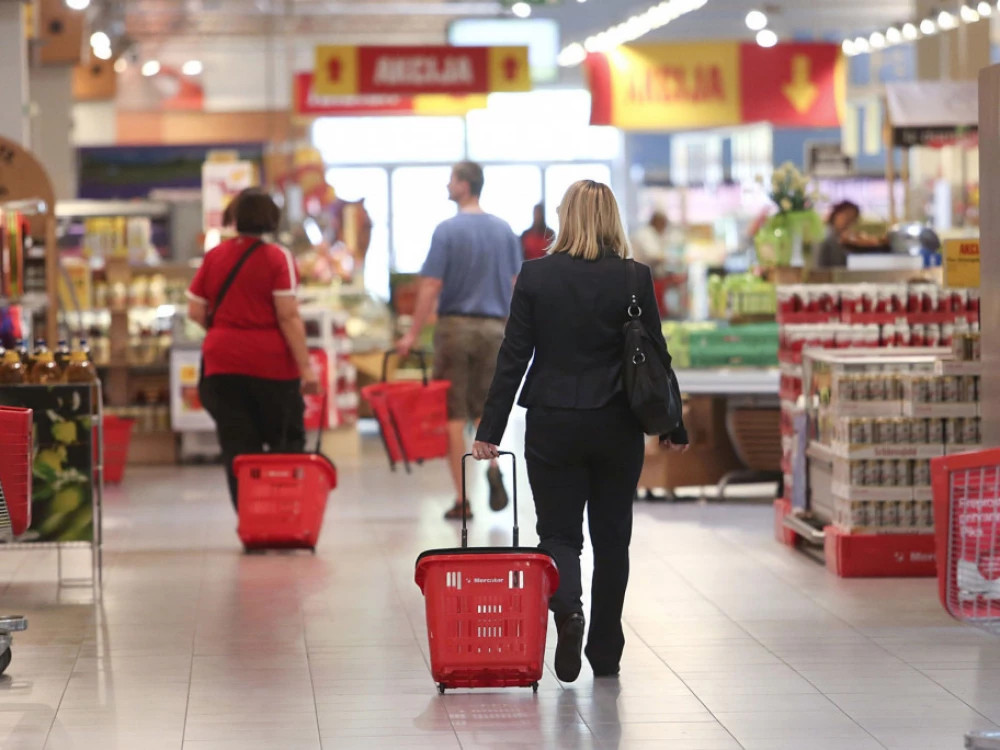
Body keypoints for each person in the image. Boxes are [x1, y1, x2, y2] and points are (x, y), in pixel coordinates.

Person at [470, 180, 689, 683]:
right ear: (613, 218)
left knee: (559, 535)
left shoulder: (536, 276)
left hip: (552, 422)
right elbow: (655, 355)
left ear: (566, 219)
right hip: (617, 424)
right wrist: (673, 425)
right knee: (613, 540)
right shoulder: (635, 278)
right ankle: (606, 651)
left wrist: (490, 429)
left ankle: (568, 612)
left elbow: (513, 357)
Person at [395, 161, 521, 521]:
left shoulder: (447, 231)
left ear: (465, 185)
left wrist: (413, 333)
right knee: (486, 409)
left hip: (455, 328)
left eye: (451, 180)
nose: (446, 185)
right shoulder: (504, 231)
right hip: (496, 329)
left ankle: (463, 498)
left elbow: (431, 285)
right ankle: (493, 470)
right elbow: (516, 285)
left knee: (453, 415)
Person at [187, 189, 320, 509]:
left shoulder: (215, 256)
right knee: (285, 442)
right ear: (272, 220)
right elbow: (288, 315)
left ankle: (251, 520)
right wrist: (306, 368)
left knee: (238, 449)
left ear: (235, 217)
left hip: (222, 367)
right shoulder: (278, 257)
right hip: (272, 367)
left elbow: (195, 311)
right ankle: (284, 514)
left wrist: (226, 333)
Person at [815, 200, 860, 269]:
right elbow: (819, 268)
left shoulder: (840, 238)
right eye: (846, 216)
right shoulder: (825, 236)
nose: (848, 222)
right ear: (836, 214)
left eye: (852, 219)